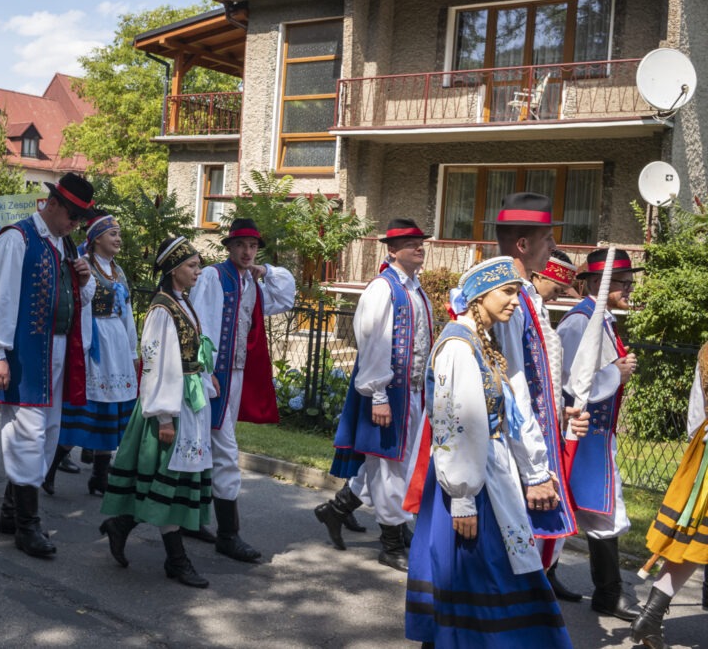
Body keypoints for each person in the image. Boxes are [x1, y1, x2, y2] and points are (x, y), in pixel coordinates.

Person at [405, 256, 572, 648]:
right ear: (480, 296)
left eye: (516, 291)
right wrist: (462, 498)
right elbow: (454, 424)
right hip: (468, 482)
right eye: (508, 292)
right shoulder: (458, 347)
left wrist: (532, 469)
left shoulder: (483, 342)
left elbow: (509, 410)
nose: (516, 301)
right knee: (477, 576)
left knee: (487, 578)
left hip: (489, 474)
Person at [0, 173, 96, 558]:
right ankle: (27, 525)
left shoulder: (65, 244)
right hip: (27, 352)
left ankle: (12, 512)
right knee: (28, 433)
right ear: (54, 204)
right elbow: (0, 293)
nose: (75, 224)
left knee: (48, 433)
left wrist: (85, 278)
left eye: (80, 218)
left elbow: (81, 298)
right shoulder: (19, 237)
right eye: (73, 215)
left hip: (59, 350)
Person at [98, 237, 217, 588]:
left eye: (198, 265)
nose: (198, 271)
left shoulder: (183, 303)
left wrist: (206, 378)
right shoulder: (162, 310)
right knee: (167, 483)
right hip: (167, 407)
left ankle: (121, 525)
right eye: (192, 266)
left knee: (166, 483)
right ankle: (176, 561)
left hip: (188, 402)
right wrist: (164, 417)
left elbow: (194, 352)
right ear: (173, 270)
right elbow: (154, 364)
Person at [316, 218, 433, 571]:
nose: (418, 246)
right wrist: (378, 395)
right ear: (392, 250)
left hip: (413, 392)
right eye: (409, 242)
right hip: (389, 392)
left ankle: (335, 510)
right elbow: (372, 343)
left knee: (385, 464)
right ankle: (391, 543)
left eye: (420, 241)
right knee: (391, 468)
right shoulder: (383, 288)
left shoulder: (415, 288)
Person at [490, 192, 584, 602]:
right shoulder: (507, 297)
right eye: (547, 239)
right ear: (523, 245)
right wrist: (535, 470)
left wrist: (560, 414)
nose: (553, 249)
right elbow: (512, 384)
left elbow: (535, 377)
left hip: (524, 442)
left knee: (509, 562)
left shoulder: (525, 295)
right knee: (501, 559)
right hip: (508, 453)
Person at [189, 218, 295, 562]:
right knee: (217, 447)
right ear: (229, 248)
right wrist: (205, 373)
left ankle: (190, 518)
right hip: (213, 376)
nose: (248, 252)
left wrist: (264, 269)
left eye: (253, 246)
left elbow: (285, 296)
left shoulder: (252, 282)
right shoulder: (213, 277)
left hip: (235, 375)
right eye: (241, 246)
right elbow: (199, 325)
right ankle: (228, 534)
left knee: (203, 444)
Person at [558, 247, 642, 620]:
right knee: (599, 509)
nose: (629, 288)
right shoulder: (580, 322)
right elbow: (572, 381)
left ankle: (553, 578)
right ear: (597, 283)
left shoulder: (599, 318)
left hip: (595, 432)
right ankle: (608, 593)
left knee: (588, 507)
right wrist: (616, 373)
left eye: (629, 282)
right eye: (622, 282)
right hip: (580, 431)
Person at [51, 214, 138, 497]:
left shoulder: (118, 271)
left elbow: (127, 315)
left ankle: (99, 478)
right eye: (113, 233)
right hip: (94, 344)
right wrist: (83, 350)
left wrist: (133, 350)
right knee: (85, 413)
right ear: (97, 238)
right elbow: (79, 308)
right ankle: (49, 469)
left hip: (117, 347)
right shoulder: (83, 267)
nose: (118, 239)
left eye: (119, 234)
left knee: (110, 414)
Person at [631, 340, 708, 648]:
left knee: (692, 541)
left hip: (703, 449)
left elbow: (695, 416)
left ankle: (650, 615)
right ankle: (649, 616)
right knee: (693, 541)